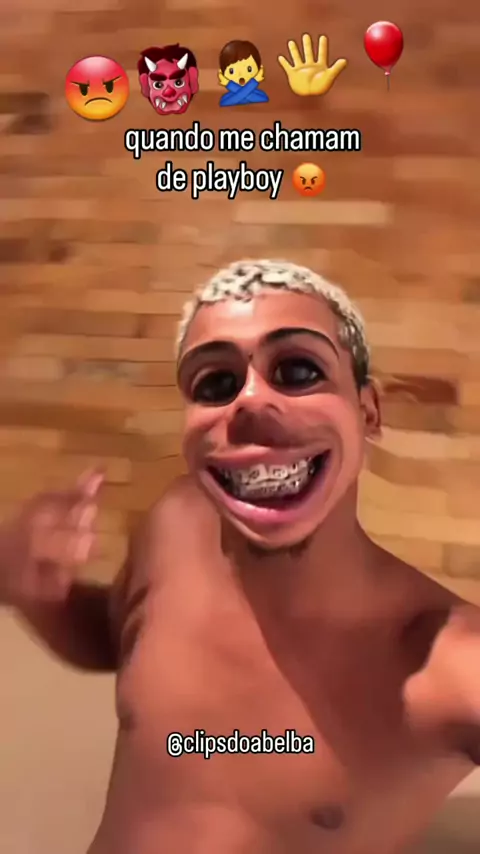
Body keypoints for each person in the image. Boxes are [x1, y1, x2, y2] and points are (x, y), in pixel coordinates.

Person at [1, 258, 479, 854]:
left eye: (298, 370)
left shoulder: (448, 666)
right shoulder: (177, 523)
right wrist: (43, 597)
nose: (249, 403)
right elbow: (115, 642)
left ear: (368, 411)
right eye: (216, 384)